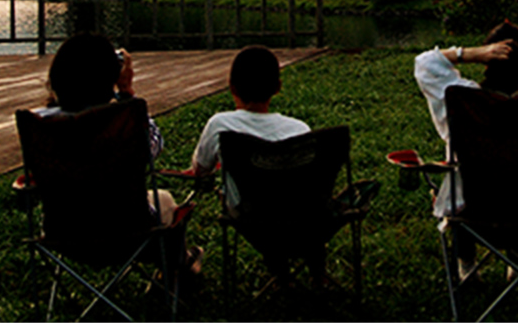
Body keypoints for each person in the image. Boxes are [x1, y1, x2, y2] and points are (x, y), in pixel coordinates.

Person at [414, 21, 518, 280]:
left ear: (486, 62)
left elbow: (425, 65)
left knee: (457, 189)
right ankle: (517, 263)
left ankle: (467, 267)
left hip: (476, 216)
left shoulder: (464, 100)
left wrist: (467, 54)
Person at [35, 33, 201, 271]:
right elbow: (153, 148)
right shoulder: (123, 122)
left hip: (63, 232)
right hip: (128, 231)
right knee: (164, 200)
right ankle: (179, 269)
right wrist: (126, 92)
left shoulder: (41, 124)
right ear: (109, 79)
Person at [189, 45, 315, 283]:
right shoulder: (300, 129)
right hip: (299, 217)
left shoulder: (220, 125)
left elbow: (200, 170)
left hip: (248, 216)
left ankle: (274, 257)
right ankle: (310, 267)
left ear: (232, 87)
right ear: (277, 88)